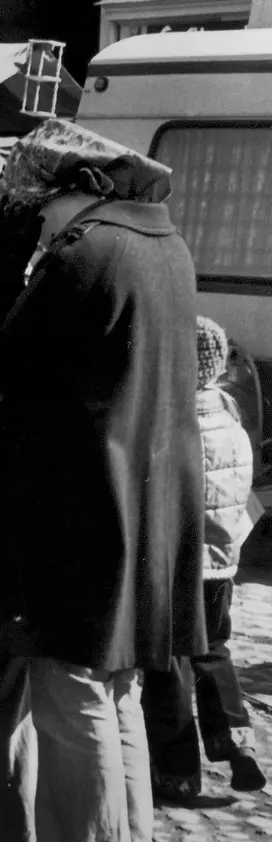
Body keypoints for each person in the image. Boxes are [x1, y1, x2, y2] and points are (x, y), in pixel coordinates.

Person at [0, 118, 207, 842]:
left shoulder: (86, 252)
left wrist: (4, 266)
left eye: (36, 213)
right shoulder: (164, 244)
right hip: (145, 505)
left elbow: (1, 358)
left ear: (66, 194)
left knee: (72, 693)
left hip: (82, 511)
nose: (36, 227)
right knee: (118, 691)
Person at [141, 317, 267, 802]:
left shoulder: (168, 426)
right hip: (221, 563)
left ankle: (176, 772)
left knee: (169, 660)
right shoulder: (232, 422)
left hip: (177, 564)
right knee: (213, 650)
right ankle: (237, 741)